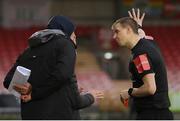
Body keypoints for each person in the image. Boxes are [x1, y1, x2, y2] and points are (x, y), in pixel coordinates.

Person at [3, 15, 104, 120]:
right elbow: (63, 76)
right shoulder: (65, 44)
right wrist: (91, 96)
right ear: (67, 31)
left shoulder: (28, 51)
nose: (75, 38)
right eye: (74, 34)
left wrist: (26, 88)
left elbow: (7, 81)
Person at [111, 8, 173, 120]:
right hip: (161, 113)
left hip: (151, 115)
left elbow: (150, 88)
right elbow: (141, 35)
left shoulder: (140, 54)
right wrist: (138, 26)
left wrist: (129, 92)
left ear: (129, 30)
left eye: (117, 31)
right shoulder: (149, 43)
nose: (114, 36)